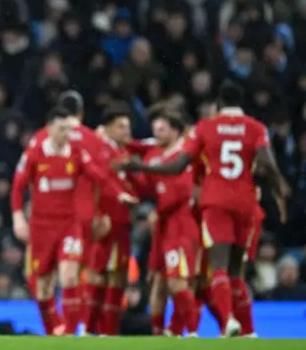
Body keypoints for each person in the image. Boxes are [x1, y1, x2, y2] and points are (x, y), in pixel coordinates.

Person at [117, 81, 288, 337]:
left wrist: (139, 168)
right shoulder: (255, 128)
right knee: (235, 272)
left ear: (218, 105)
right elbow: (267, 164)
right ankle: (248, 331)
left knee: (215, 269)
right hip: (245, 203)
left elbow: (176, 167)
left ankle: (226, 321)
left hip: (213, 204)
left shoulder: (205, 128)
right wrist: (280, 194)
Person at [11, 108, 137, 336]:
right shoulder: (35, 151)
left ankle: (70, 334)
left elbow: (98, 175)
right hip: (42, 226)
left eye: (69, 129)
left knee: (69, 276)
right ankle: (54, 332)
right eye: (61, 129)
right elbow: (18, 185)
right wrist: (18, 216)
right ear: (49, 129)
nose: (66, 134)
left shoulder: (76, 151)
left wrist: (119, 194)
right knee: (43, 288)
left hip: (69, 224)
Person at [26, 90, 113, 334]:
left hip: (54, 218)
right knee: (79, 275)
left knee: (45, 279)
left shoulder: (40, 138)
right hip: (85, 217)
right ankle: (81, 327)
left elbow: (26, 178)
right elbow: (102, 177)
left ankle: (59, 328)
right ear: (81, 113)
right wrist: (103, 212)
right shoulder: (93, 139)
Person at [133, 111, 201, 336]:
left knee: (178, 283)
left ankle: (190, 332)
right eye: (155, 130)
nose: (156, 135)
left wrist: (157, 211)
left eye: (161, 130)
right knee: (157, 281)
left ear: (175, 131)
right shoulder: (154, 155)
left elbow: (180, 193)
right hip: (162, 226)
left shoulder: (184, 155)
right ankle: (159, 333)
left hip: (180, 225)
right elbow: (146, 187)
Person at [88, 105, 139, 336]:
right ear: (107, 128)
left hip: (122, 225)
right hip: (104, 224)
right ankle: (89, 330)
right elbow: (95, 184)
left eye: (128, 126)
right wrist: (98, 214)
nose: (126, 131)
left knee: (117, 279)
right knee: (98, 276)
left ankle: (108, 333)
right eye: (120, 126)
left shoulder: (122, 153)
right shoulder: (98, 149)